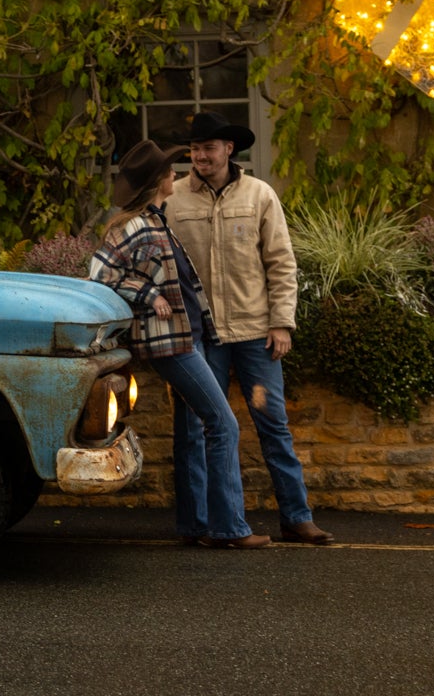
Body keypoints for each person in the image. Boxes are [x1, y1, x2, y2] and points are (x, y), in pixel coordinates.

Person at [87, 139, 268, 549]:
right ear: (158, 181)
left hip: (190, 337)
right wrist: (149, 295)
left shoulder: (155, 219)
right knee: (222, 424)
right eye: (170, 171)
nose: (177, 175)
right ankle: (230, 529)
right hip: (172, 345)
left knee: (195, 427)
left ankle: (196, 525)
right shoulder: (131, 226)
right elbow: (99, 274)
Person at [164, 112, 333, 545]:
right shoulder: (173, 201)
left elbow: (281, 262)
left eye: (209, 147)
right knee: (195, 432)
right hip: (200, 339)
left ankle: (296, 517)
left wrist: (282, 323)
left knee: (273, 425)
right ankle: (198, 525)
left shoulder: (260, 195)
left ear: (228, 150)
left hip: (256, 335)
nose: (201, 155)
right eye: (196, 148)